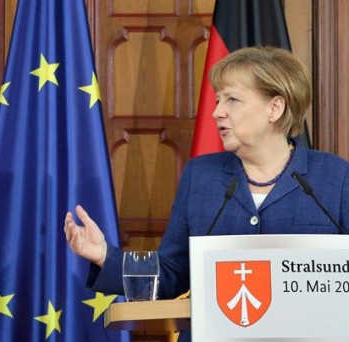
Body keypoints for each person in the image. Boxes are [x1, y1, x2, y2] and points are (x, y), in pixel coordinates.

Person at [64, 46, 349, 341]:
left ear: (274, 108)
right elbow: (172, 272)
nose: (216, 112)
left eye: (232, 100)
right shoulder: (200, 177)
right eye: (217, 100)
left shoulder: (335, 178)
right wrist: (104, 256)